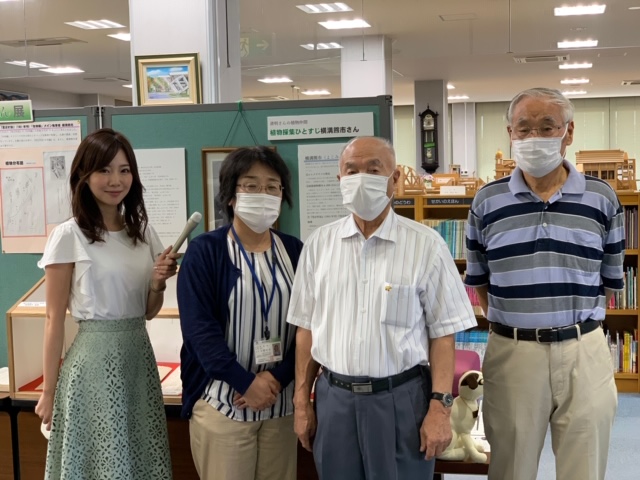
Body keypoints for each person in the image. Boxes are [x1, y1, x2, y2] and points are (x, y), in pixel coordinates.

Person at [287, 136, 477, 480]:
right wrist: (302, 400)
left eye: (374, 170)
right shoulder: (319, 244)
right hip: (334, 399)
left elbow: (443, 334)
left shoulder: (426, 245)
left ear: (395, 180)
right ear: (339, 181)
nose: (362, 178)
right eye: (352, 170)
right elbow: (306, 329)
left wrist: (440, 408)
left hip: (401, 400)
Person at [465, 87, 623, 480]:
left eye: (547, 127)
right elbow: (481, 282)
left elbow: (609, 280)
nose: (534, 138)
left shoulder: (602, 199)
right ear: (510, 134)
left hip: (583, 350)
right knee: (510, 467)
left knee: (584, 465)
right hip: (513, 351)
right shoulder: (486, 202)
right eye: (524, 128)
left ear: (568, 133)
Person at [35, 128, 180, 479]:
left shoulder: (141, 232)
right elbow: (54, 319)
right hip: (92, 365)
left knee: (139, 458)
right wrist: (49, 391)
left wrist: (158, 283)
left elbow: (146, 310)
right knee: (99, 463)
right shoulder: (69, 234)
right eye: (104, 170)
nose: (116, 180)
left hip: (138, 357)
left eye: (124, 170)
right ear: (83, 177)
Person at [178, 146, 303, 480]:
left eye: (272, 186)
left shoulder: (295, 250)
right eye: (250, 185)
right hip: (223, 402)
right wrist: (245, 382)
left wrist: (274, 379)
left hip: (281, 402)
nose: (263, 194)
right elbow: (199, 332)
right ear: (231, 196)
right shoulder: (205, 253)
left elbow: (309, 325)